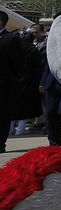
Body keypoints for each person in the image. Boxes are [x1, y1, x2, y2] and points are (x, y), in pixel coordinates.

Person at [1, 10, 24, 152]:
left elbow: (18, 63)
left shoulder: (10, 39)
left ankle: (0, 143)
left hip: (4, 84)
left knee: (2, 114)